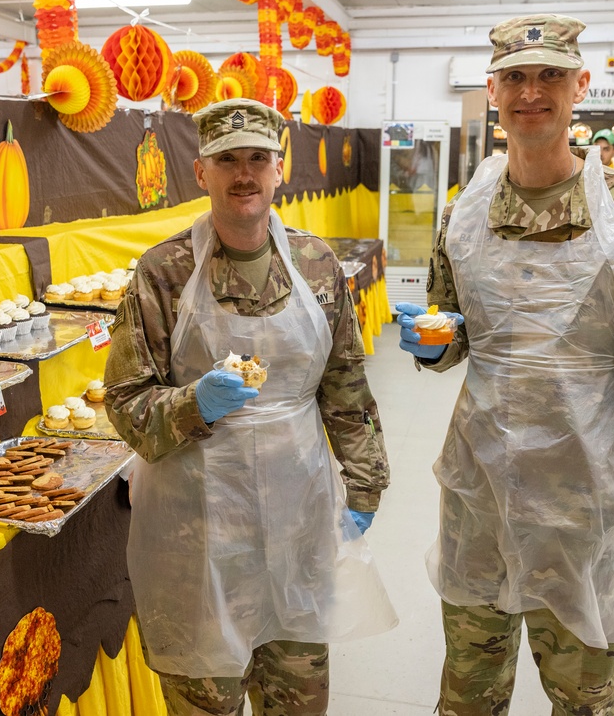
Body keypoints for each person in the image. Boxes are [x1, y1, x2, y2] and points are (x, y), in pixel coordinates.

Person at [396, 14, 614, 715]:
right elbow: (454, 334)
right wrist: (433, 345)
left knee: (583, 696)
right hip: (478, 492)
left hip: (581, 496)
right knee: (469, 694)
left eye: (549, 76)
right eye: (515, 77)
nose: (531, 92)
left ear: (580, 86)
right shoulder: (466, 210)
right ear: (493, 91)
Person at [105, 97, 397, 715]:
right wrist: (193, 404)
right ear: (200, 172)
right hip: (197, 530)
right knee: (204, 695)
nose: (244, 174)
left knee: (297, 694)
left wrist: (365, 487)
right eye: (227, 160)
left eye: (258, 158)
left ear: (279, 168)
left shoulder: (316, 265)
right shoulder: (164, 272)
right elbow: (126, 403)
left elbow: (344, 385)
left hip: (299, 521)